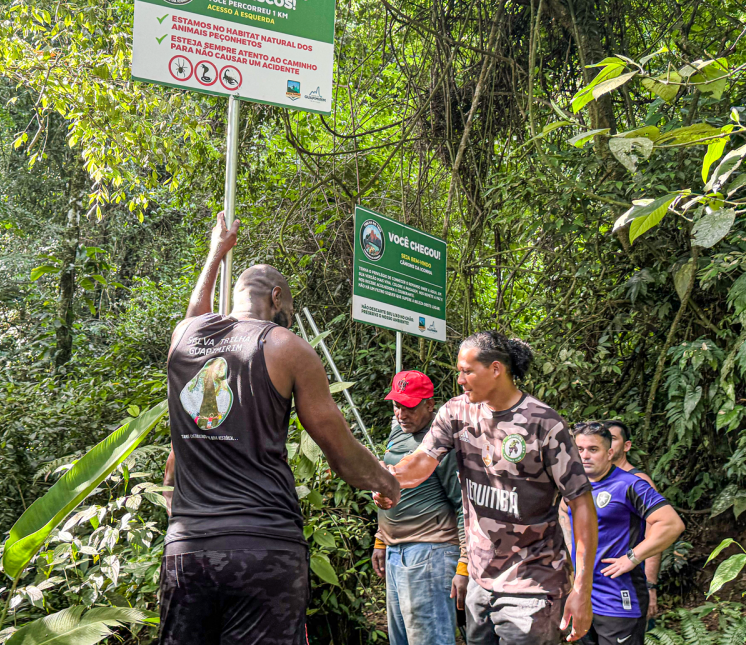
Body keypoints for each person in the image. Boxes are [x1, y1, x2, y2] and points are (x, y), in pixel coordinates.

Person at [160, 213, 400, 645]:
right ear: (275, 296)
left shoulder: (184, 337)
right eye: (286, 309)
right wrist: (387, 481)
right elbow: (341, 453)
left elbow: (195, 312)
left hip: (188, 551)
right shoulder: (285, 346)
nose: (286, 318)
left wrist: (217, 250)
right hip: (264, 548)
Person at [386, 331, 599, 645]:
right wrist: (389, 478)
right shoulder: (455, 413)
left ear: (496, 369)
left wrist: (582, 589)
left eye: (467, 371)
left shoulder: (543, 424)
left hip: (533, 587)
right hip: (480, 583)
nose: (460, 380)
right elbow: (423, 460)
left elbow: (582, 505)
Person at [561, 423, 685, 645]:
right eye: (579, 449)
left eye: (593, 449)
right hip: (582, 597)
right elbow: (563, 514)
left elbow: (671, 524)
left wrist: (633, 557)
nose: (585, 456)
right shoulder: (573, 486)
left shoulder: (630, 484)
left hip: (618, 598)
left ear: (609, 453)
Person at [372, 370, 468, 645]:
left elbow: (463, 503)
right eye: (397, 405)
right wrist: (381, 539)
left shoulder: (442, 442)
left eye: (409, 407)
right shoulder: (398, 429)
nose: (402, 414)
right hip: (396, 552)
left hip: (430, 553)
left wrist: (464, 563)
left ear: (429, 404)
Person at [603, 420, 662, 619]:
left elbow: (656, 532)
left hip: (631, 580)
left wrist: (651, 584)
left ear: (626, 445)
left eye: (612, 439)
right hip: (600, 583)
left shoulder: (638, 482)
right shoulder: (594, 480)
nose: (606, 445)